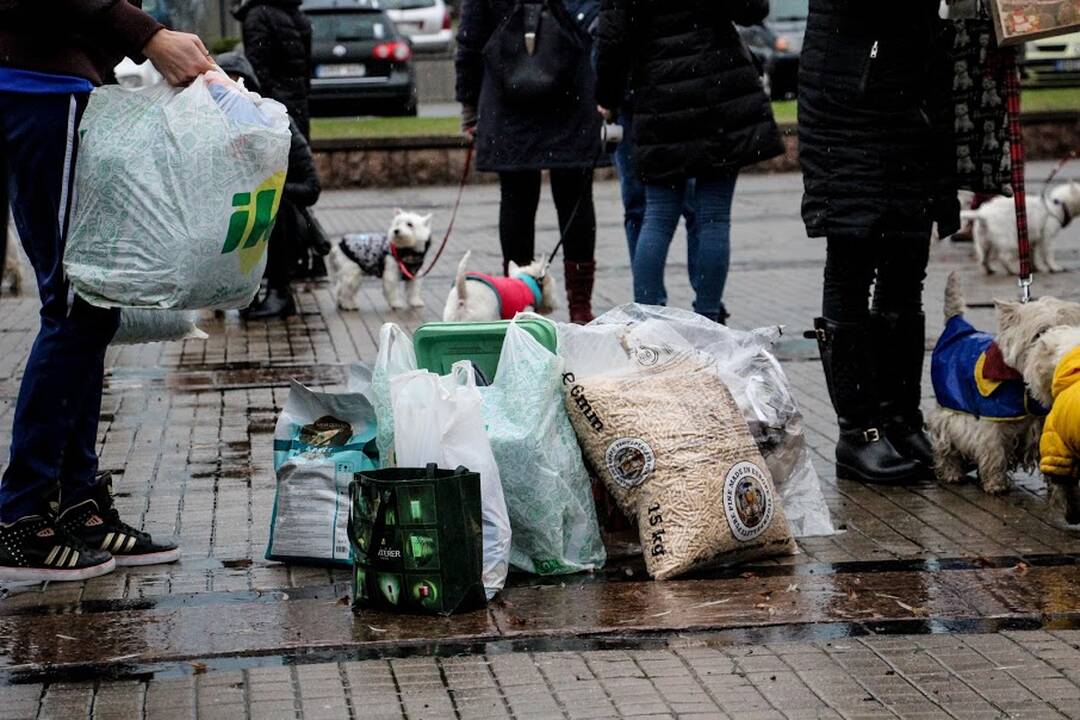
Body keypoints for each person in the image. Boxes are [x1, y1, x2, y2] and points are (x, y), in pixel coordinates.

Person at [0, 0, 214, 581]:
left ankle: (77, 504)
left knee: (88, 306)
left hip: (56, 82)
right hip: (39, 85)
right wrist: (148, 35)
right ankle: (21, 514)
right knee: (73, 304)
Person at [799, 0, 958, 484]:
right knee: (852, 258)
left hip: (906, 93)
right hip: (849, 102)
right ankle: (859, 433)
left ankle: (900, 421)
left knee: (907, 260)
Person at [596, 0, 783, 325]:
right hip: (719, 90)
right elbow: (753, 9)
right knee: (714, 218)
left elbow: (612, 38)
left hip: (659, 96)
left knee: (657, 216)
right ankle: (709, 320)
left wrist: (607, 98)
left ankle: (647, 319)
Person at [456, 0, 602, 324]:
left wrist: (468, 104)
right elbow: (599, 25)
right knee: (576, 199)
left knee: (516, 202)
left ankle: (519, 303)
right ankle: (580, 306)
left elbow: (469, 39)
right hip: (572, 93)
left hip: (508, 97)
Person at [216, 51, 322, 320]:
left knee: (274, 202)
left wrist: (271, 186)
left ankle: (280, 292)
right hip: (229, 220)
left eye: (238, 84)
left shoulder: (277, 125)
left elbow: (311, 189)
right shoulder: (210, 127)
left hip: (281, 225)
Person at [233, 0, 313, 139]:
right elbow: (258, 64)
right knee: (294, 151)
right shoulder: (293, 14)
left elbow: (257, 65)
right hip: (285, 100)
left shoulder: (262, 15)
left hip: (282, 99)